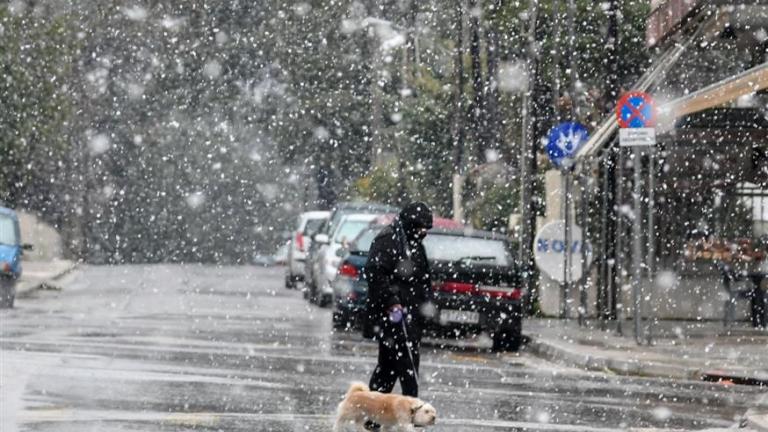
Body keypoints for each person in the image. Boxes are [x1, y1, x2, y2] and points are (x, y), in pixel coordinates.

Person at [364, 202, 433, 399]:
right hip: (393, 315)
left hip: (411, 313)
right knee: (405, 365)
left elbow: (422, 278)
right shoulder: (388, 240)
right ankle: (410, 410)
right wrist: (392, 301)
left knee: (391, 366)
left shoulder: (413, 243)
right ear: (411, 224)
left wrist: (427, 303)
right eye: (421, 227)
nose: (424, 232)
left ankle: (374, 410)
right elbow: (375, 273)